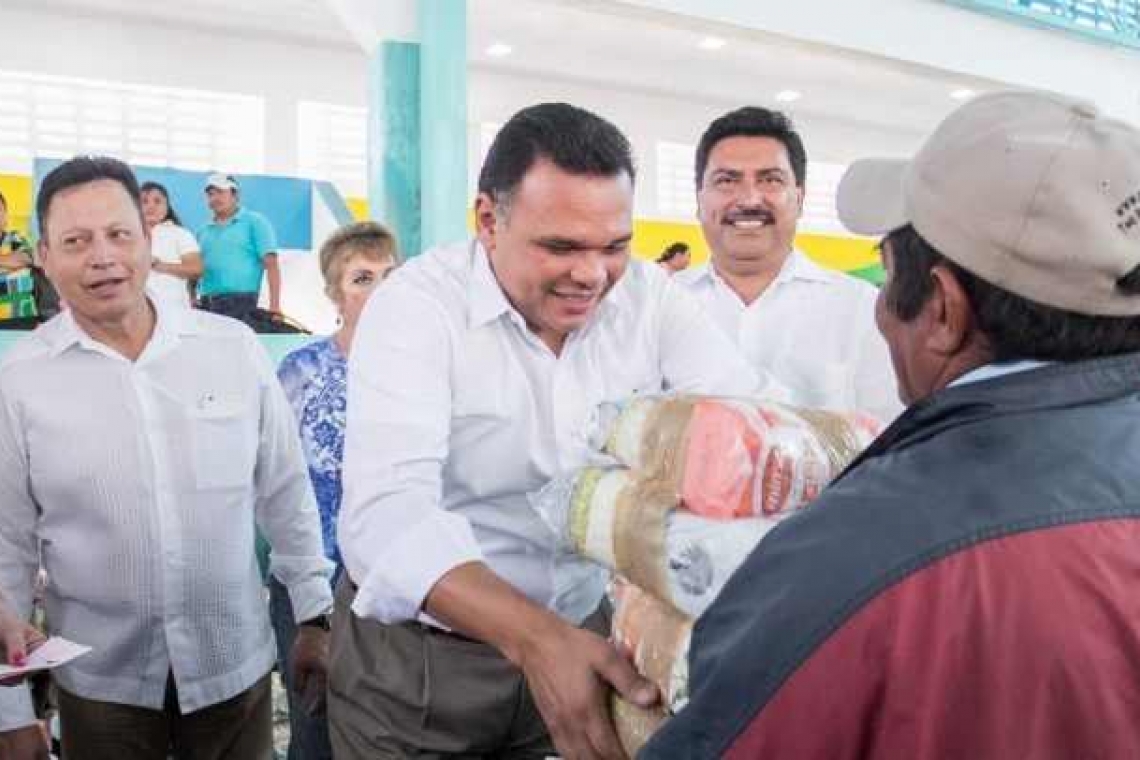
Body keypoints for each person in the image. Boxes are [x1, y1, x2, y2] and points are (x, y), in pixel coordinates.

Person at [643, 91, 1140, 759]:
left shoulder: (856, 557)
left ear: (941, 311)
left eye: (888, 276)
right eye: (726, 180)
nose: (880, 307)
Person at [331, 102, 782, 760]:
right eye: (561, 247)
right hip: (424, 664)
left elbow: (750, 418)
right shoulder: (418, 307)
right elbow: (385, 515)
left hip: (588, 636)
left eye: (615, 246)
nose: (592, 274)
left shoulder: (649, 300)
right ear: (489, 221)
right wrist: (539, 641)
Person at [0, 156, 333, 760]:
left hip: (235, 673)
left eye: (119, 234)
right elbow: (6, 545)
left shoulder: (230, 349)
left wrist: (315, 615)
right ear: (44, 257)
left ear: (149, 240)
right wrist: (7, 709)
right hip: (102, 688)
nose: (102, 257)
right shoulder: (19, 381)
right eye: (76, 241)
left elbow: (285, 491)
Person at [676, 106, 900, 421]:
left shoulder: (862, 310)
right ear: (699, 199)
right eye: (727, 180)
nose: (749, 199)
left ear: (800, 197)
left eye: (770, 180)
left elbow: (887, 436)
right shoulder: (660, 305)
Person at [270, 221, 400, 760]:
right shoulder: (302, 371)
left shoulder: (422, 372)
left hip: (398, 589)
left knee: (391, 732)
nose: (381, 292)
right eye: (363, 278)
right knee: (317, 734)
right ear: (334, 294)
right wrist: (311, 610)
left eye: (390, 277)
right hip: (314, 588)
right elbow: (275, 485)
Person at [196, 172, 281, 322]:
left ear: (235, 195)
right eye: (210, 194)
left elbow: (271, 264)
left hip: (241, 304)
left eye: (220, 192)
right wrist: (192, 298)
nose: (214, 198)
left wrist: (275, 306)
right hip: (205, 304)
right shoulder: (202, 231)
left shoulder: (255, 222)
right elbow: (195, 270)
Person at [140, 181, 202, 310]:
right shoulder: (127, 235)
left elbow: (196, 269)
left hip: (174, 309)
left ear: (167, 206)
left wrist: (160, 266)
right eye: (144, 201)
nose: (151, 206)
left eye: (157, 201)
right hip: (138, 311)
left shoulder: (180, 234)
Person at [0, 190, 42, 325]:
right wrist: (8, 262)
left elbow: (29, 257)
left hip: (20, 317)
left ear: (5, 216)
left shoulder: (15, 238)